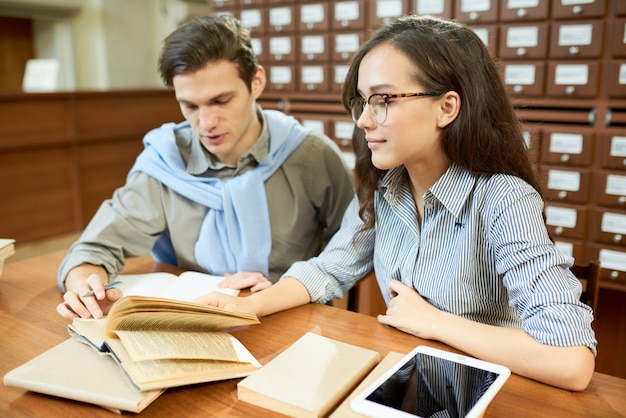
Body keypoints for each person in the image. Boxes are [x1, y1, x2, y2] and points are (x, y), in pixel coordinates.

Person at [199, 15, 597, 391]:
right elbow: (329, 268)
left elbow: (571, 361)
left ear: (447, 107)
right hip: (411, 379)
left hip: (488, 391)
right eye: (362, 101)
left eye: (383, 100)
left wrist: (434, 322)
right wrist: (242, 308)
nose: (363, 121)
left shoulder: (503, 199)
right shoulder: (388, 187)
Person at [55, 15, 354, 320]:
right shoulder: (163, 162)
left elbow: (358, 244)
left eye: (221, 100)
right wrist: (84, 286)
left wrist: (287, 288)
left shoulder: (312, 156)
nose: (206, 123)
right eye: (191, 106)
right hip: (192, 321)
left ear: (256, 83)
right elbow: (92, 249)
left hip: (291, 319)